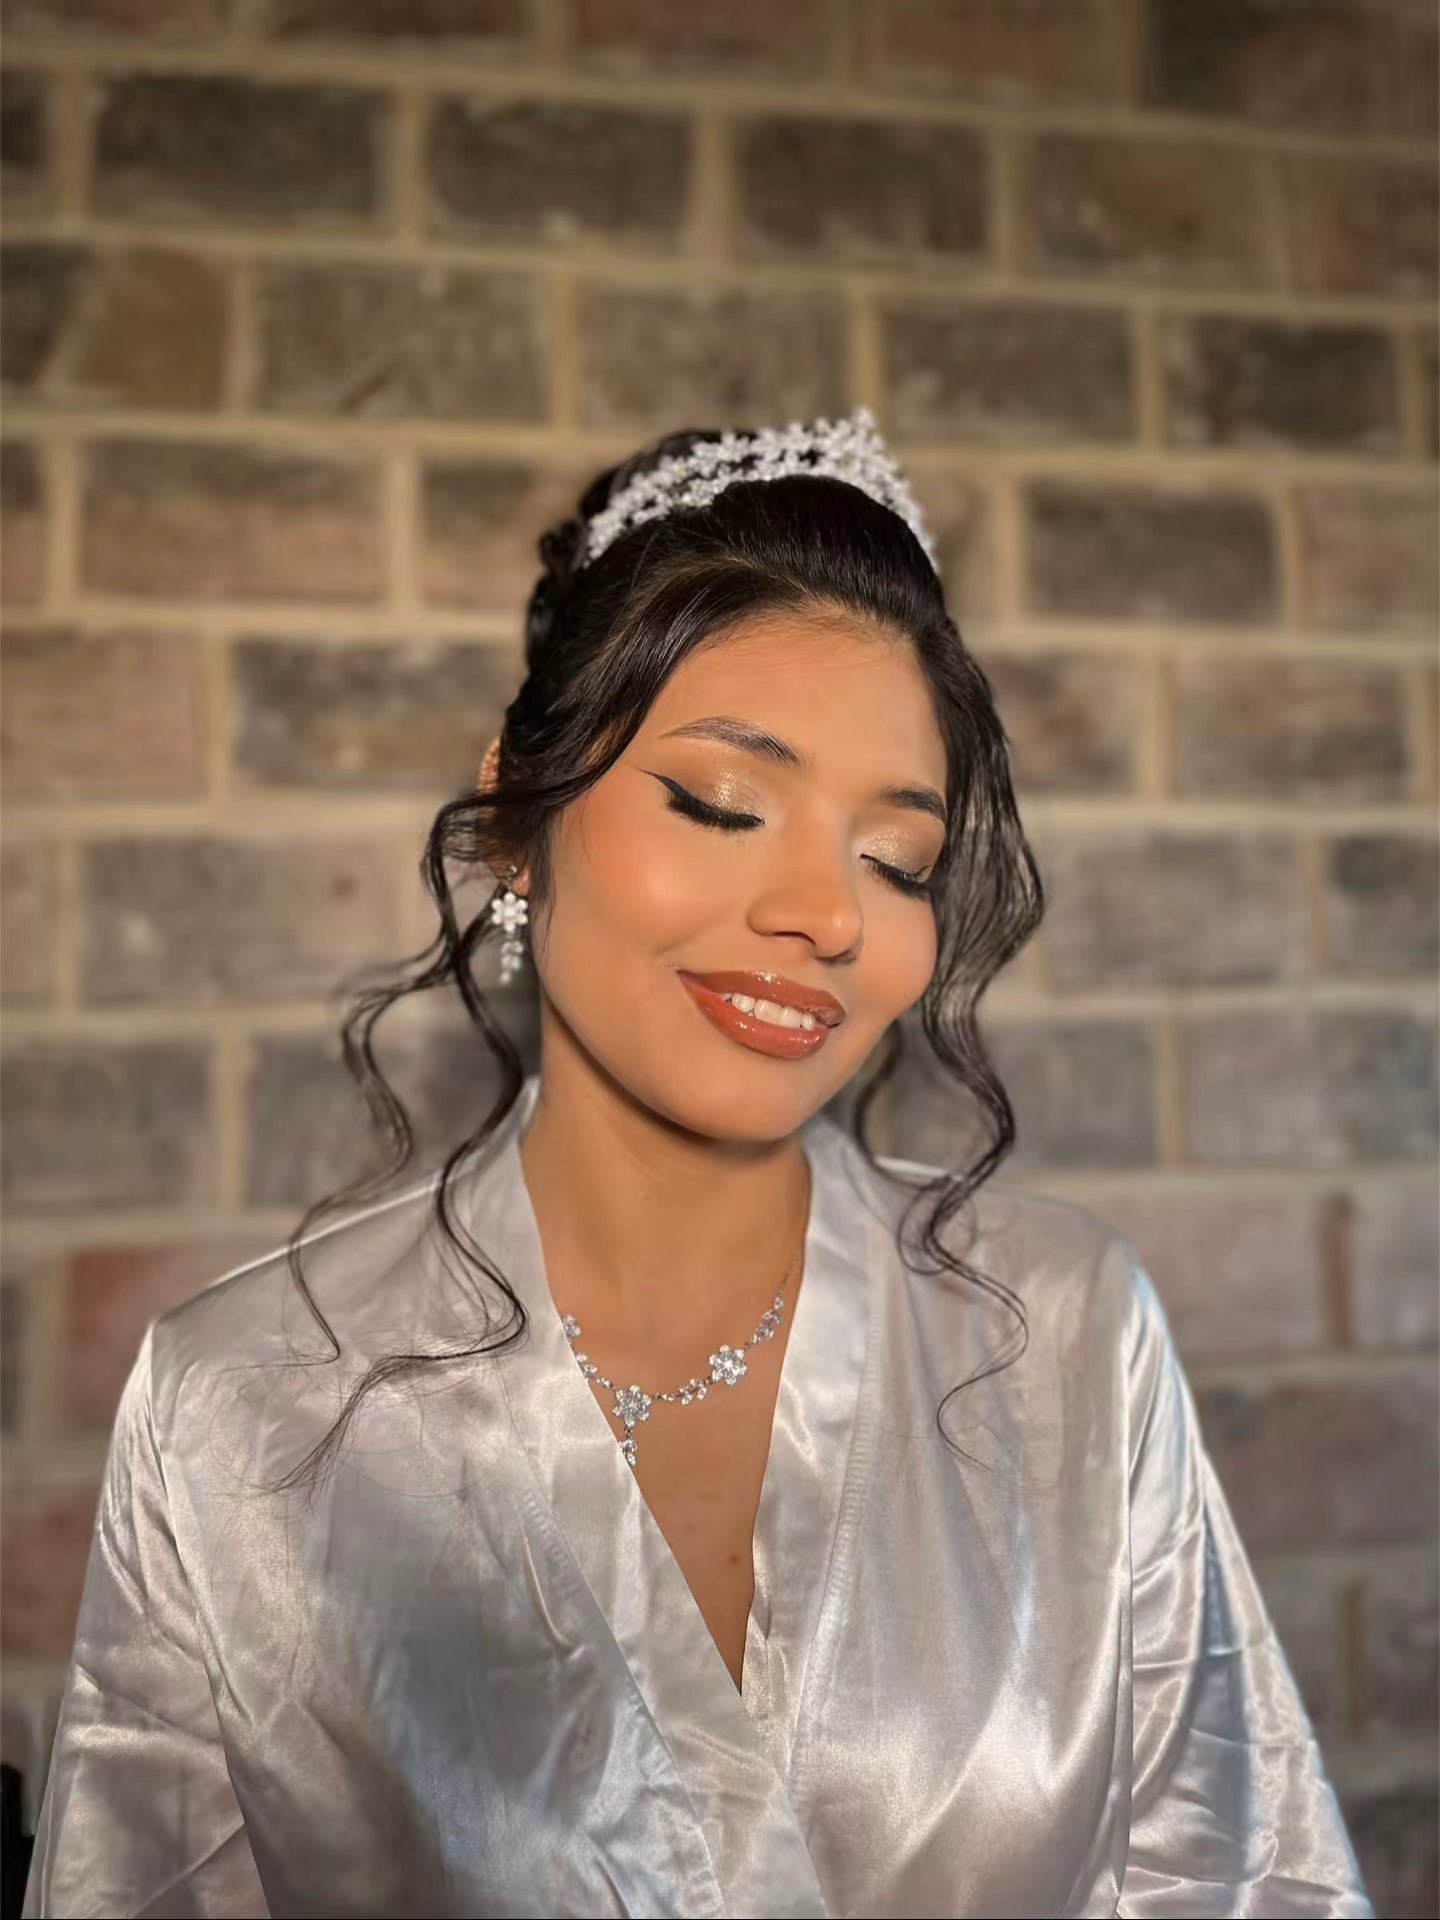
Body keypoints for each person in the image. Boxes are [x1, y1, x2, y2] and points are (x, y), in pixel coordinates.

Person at [22, 410, 1371, 1918]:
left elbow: (1239, 1874)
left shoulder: (1063, 1333)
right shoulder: (242, 1401)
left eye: (897, 860)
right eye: (724, 803)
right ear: (519, 817)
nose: (828, 914)